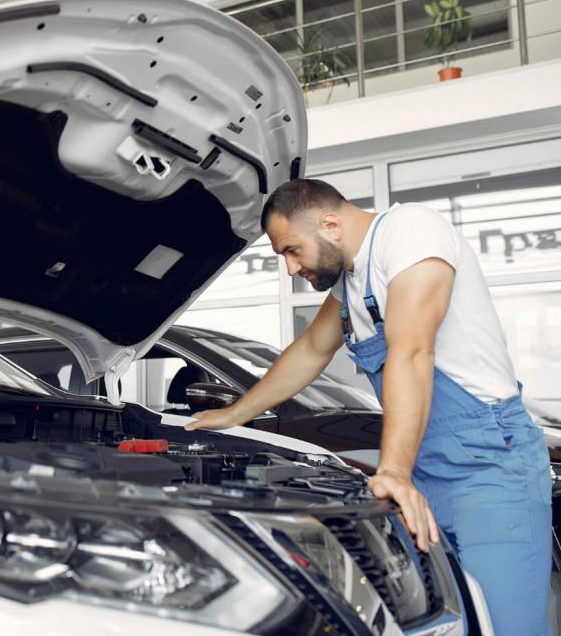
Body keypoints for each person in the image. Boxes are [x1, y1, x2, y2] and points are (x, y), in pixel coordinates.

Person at [186, 178, 551, 634]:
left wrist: (393, 471)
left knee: (505, 625)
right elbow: (311, 351)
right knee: (438, 622)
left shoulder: (412, 233)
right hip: (425, 469)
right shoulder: (351, 284)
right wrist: (235, 414)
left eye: (292, 250)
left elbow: (412, 351)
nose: (290, 268)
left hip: (489, 467)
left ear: (330, 224)